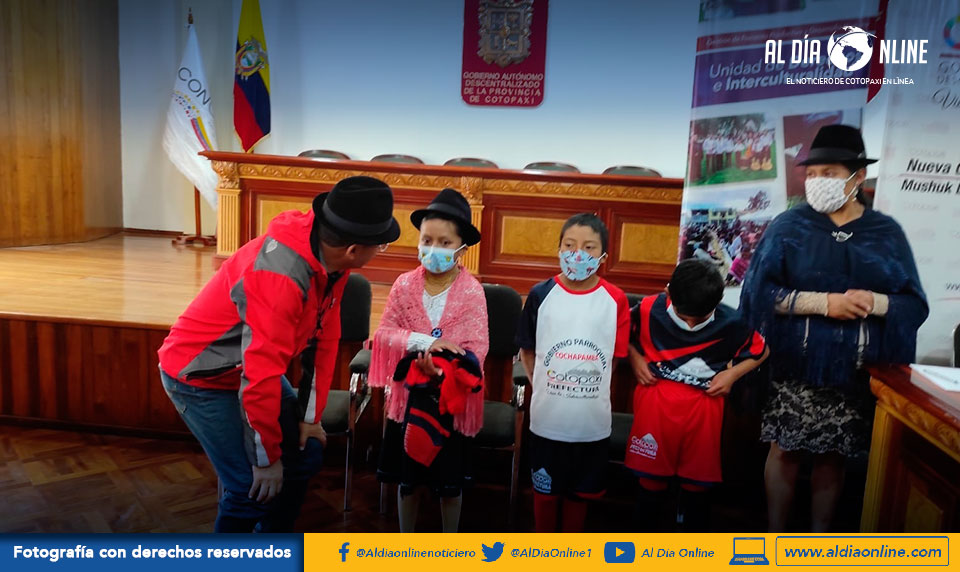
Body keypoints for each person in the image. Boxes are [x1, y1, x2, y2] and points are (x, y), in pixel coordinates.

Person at [157, 176, 399, 532]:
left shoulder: (330, 259)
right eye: (380, 245)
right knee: (250, 490)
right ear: (352, 249)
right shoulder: (281, 277)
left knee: (306, 453)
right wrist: (265, 459)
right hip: (199, 377)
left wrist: (310, 418)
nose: (380, 251)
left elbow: (325, 337)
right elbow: (261, 376)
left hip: (246, 369)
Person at [739, 125, 928, 532]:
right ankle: (775, 540)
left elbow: (913, 304)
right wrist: (825, 303)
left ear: (858, 176)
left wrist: (874, 302)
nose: (817, 180)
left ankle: (819, 545)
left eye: (829, 172)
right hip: (794, 367)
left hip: (853, 372)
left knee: (832, 457)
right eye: (812, 173)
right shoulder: (788, 227)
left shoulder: (885, 234)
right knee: (785, 451)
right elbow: (758, 295)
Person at [368, 188, 488, 533]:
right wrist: (427, 343)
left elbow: (476, 350)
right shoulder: (404, 285)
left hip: (451, 403)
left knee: (449, 485)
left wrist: (440, 370)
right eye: (427, 240)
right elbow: (384, 335)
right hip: (408, 400)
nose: (434, 249)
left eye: (445, 242)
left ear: (462, 248)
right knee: (408, 483)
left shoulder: (472, 292)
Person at [625, 259, 768, 531]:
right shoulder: (647, 309)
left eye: (699, 319)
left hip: (704, 410)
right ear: (668, 292)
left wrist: (731, 375)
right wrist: (634, 358)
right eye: (684, 316)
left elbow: (761, 351)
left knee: (696, 488)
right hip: (656, 405)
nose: (690, 324)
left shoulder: (733, 322)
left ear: (718, 302)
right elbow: (619, 333)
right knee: (651, 485)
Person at [516, 213, 631, 532]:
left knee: (580, 496)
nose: (578, 254)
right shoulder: (540, 294)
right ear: (558, 249)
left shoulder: (615, 300)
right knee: (545, 495)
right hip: (547, 421)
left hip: (591, 424)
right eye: (569, 245)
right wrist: (544, 385)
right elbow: (527, 350)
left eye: (589, 247)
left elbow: (615, 357)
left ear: (603, 256)